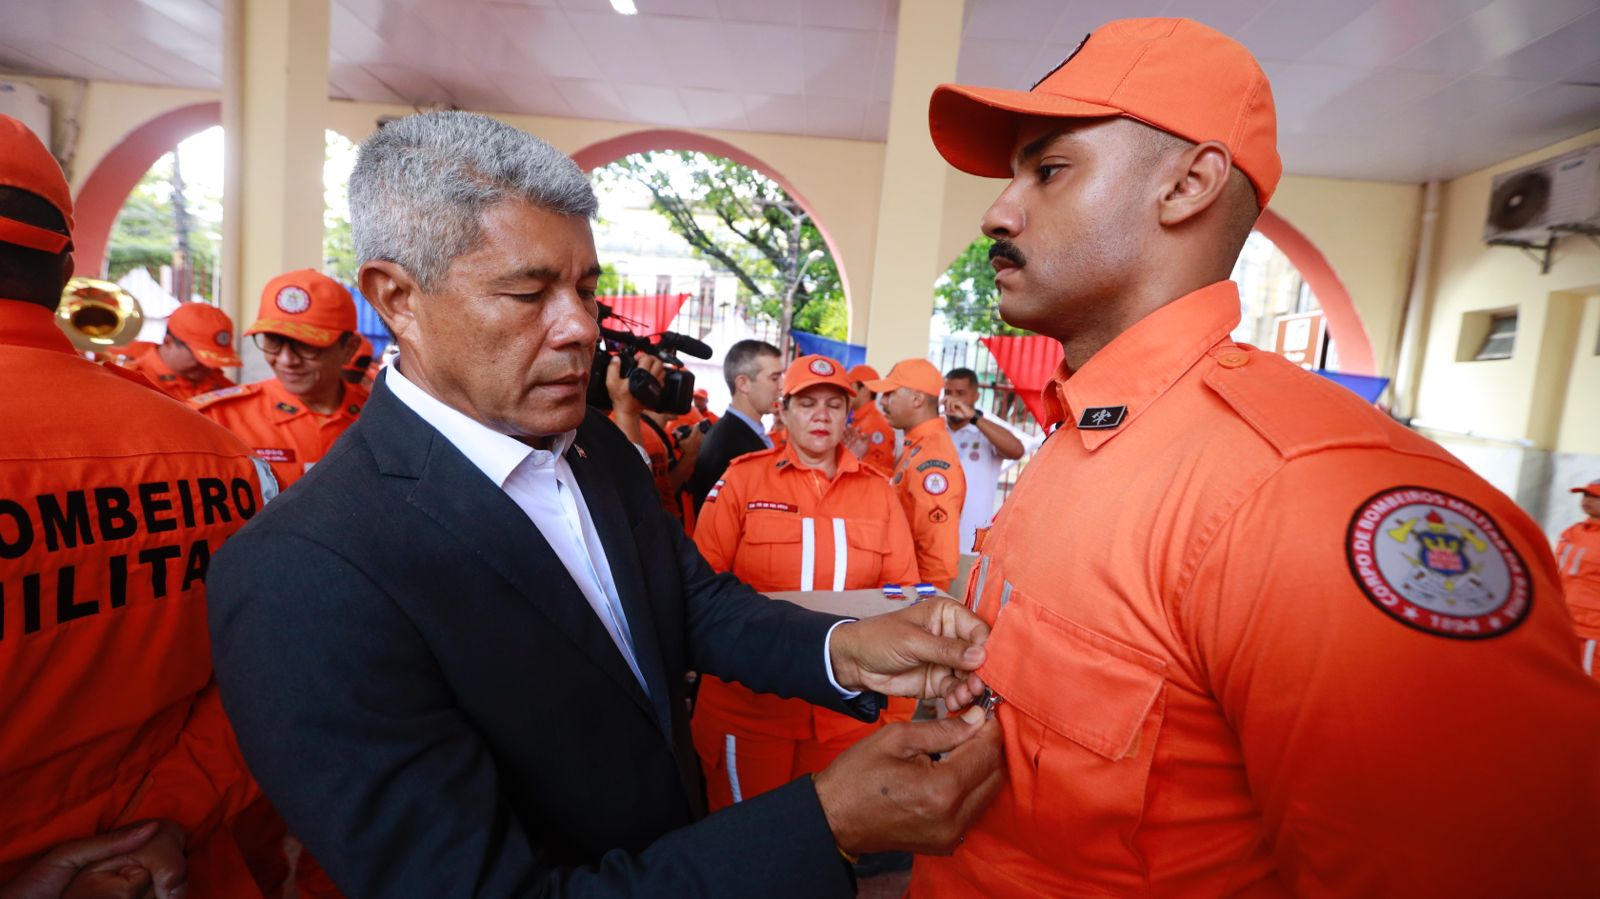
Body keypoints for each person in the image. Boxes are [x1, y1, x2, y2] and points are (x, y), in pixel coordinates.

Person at [205, 110, 1003, 898]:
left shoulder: (593, 445)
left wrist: (849, 648)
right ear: (396, 298)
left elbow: (686, 604)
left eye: (586, 289)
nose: (579, 328)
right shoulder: (302, 578)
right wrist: (825, 822)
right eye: (528, 292)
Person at [919, 17, 1600, 897]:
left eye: (1048, 169)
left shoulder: (1310, 494)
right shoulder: (1085, 435)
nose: (998, 211)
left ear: (1189, 184)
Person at [0, 113, 270, 899]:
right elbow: (273, 674)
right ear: (63, 268)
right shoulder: (225, 456)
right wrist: (164, 820)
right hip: (170, 867)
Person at [690, 354, 919, 811]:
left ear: (847, 415)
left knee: (828, 848)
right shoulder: (743, 479)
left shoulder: (878, 492)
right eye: (807, 402)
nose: (821, 415)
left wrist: (894, 716)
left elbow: (902, 598)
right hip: (751, 712)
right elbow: (701, 590)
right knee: (748, 848)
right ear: (784, 409)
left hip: (846, 718)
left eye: (834, 405)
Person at [191, 270, 368, 491]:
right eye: (274, 342)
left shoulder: (380, 416)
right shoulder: (217, 419)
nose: (286, 360)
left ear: (348, 349)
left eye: (306, 345)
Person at [866, 358, 966, 593]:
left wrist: (926, 601)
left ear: (917, 399)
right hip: (900, 583)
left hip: (914, 589)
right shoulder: (917, 446)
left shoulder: (932, 459)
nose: (883, 402)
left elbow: (938, 549)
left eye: (890, 394)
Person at [688, 339, 783, 511]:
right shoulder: (729, 447)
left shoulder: (741, 434)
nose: (782, 386)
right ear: (743, 384)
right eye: (774, 378)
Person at [941, 368, 1026, 556]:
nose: (953, 400)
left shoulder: (988, 428)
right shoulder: (936, 427)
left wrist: (973, 417)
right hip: (933, 541)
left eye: (961, 393)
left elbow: (1017, 451)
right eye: (948, 393)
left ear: (976, 396)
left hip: (969, 542)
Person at [123, 302, 240, 401]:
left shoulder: (220, 383)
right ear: (168, 342)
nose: (207, 365)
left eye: (213, 360)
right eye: (199, 357)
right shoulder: (133, 383)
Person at [1557, 479, 1600, 678]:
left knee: (1589, 681)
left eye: (1596, 497)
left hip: (1593, 628)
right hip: (1564, 620)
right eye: (1586, 495)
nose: (1588, 500)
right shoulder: (1573, 532)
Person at [843, 363, 896, 475]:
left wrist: (859, 459)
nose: (846, 393)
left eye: (850, 387)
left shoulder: (877, 425)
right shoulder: (859, 420)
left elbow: (884, 473)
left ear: (864, 390)